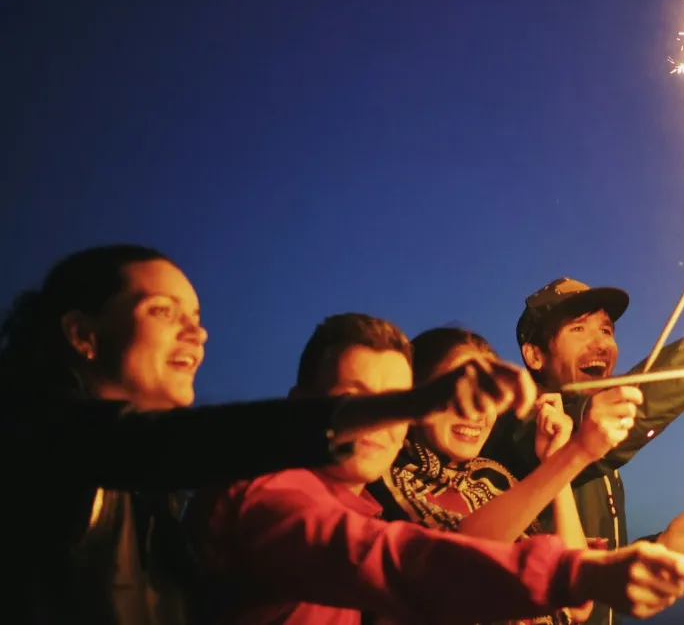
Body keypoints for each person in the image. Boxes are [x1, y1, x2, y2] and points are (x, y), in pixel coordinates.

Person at [1, 246, 532, 625]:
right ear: (82, 335)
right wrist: (565, 574)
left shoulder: (142, 489)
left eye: (198, 315)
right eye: (162, 312)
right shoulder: (40, 433)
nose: (197, 332)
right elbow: (167, 444)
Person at [185, 314, 684, 625]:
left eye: (395, 403)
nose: (381, 422)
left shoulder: (467, 481)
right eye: (357, 401)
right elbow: (406, 562)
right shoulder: (268, 496)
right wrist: (574, 567)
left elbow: (573, 606)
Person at [486, 275, 684, 557]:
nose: (602, 345)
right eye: (578, 328)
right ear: (535, 356)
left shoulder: (594, 438)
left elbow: (592, 566)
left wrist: (662, 547)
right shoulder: (517, 431)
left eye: (606, 331)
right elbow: (587, 429)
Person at [369, 327, 629, 625]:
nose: (478, 410)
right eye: (459, 390)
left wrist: (556, 463)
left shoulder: (492, 480)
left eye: (490, 393)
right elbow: (450, 568)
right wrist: (577, 452)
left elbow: (577, 603)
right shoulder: (382, 481)